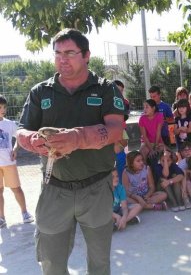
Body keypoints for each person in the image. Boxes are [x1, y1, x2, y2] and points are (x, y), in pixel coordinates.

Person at [17, 29, 125, 274]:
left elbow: (116, 129)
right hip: (54, 188)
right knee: (51, 263)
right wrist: (33, 141)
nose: (61, 59)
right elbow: (22, 130)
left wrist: (77, 138)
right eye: (57, 54)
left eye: (69, 53)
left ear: (86, 55)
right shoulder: (40, 91)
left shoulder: (105, 89)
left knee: (99, 264)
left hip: (96, 188)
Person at [0, 95, 34, 228]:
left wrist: (15, 149)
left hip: (9, 163)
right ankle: (1, 218)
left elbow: (19, 138)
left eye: (4, 107)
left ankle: (25, 213)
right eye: (0, 107)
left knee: (16, 189)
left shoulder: (10, 124)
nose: (3, 110)